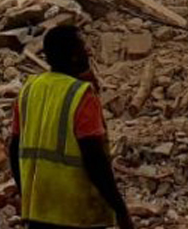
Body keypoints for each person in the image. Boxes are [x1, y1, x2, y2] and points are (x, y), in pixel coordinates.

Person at [8, 25, 134, 229]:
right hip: (76, 213)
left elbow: (14, 149)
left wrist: (26, 195)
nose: (88, 51)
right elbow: (95, 160)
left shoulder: (29, 90)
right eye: (83, 46)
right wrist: (120, 209)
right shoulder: (81, 95)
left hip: (39, 210)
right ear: (74, 55)